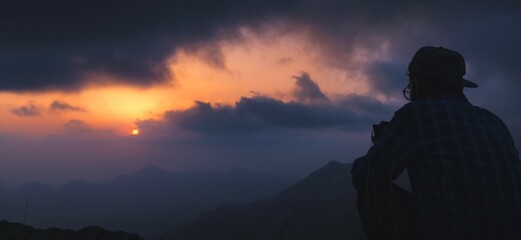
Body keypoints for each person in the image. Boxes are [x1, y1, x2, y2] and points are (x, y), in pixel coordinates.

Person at [351, 46, 521, 240]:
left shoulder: (416, 114)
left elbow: (364, 176)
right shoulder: (494, 120)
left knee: (370, 193)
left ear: (418, 82)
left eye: (411, 85)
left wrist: (379, 144)